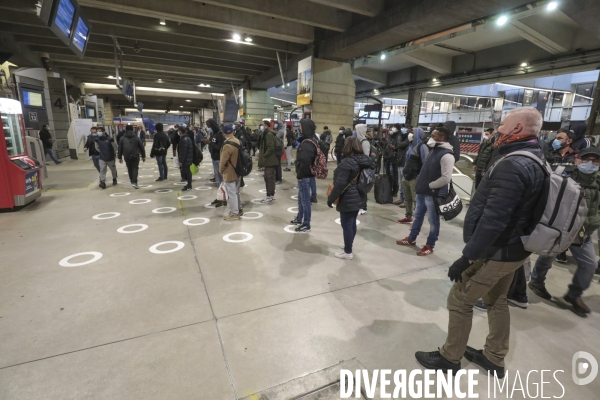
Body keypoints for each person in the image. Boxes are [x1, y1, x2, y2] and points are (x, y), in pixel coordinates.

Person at [415, 107, 546, 378]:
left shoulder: (513, 164)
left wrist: (468, 256)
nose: (496, 133)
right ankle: (494, 358)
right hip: (517, 249)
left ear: (518, 129)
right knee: (496, 300)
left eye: (501, 128)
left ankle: (450, 359)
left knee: (460, 299)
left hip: (499, 250)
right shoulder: (535, 157)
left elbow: (494, 219)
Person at [528, 147, 600, 314]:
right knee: (547, 257)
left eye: (595, 160)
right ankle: (536, 282)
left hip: (583, 233)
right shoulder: (565, 176)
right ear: (577, 160)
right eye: (585, 159)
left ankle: (574, 295)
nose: (590, 163)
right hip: (562, 229)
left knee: (590, 265)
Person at [396, 126, 455, 256]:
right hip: (423, 191)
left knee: (433, 221)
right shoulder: (434, 150)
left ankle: (430, 244)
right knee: (418, 216)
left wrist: (430, 186)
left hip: (433, 194)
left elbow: (446, 178)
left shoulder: (447, 155)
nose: (430, 137)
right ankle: (411, 238)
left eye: (433, 135)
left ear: (441, 138)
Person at [327, 137, 374, 259]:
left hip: (348, 197)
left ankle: (348, 252)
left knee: (347, 224)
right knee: (352, 222)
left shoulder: (347, 162)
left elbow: (340, 184)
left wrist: (331, 198)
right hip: (359, 195)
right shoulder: (364, 160)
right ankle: (349, 247)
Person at [291, 119, 318, 232]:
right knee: (301, 199)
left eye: (301, 126)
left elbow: (305, 162)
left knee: (305, 201)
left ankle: (306, 224)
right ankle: (299, 218)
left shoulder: (307, 144)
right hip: (308, 175)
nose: (299, 128)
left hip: (305, 176)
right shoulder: (310, 140)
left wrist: (299, 175)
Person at [398, 128, 427, 223]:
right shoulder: (410, 146)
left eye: (413, 133)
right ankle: (408, 216)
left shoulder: (422, 147)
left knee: (416, 200)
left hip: (415, 178)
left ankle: (416, 220)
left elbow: (425, 163)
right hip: (406, 176)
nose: (410, 135)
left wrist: (420, 177)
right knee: (408, 198)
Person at [219, 125, 242, 221]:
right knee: (236, 192)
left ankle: (234, 214)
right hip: (238, 170)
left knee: (232, 194)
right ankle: (238, 209)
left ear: (224, 134)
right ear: (232, 132)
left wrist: (220, 171)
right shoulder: (237, 141)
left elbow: (223, 161)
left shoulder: (227, 145)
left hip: (230, 172)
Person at [258, 120, 279, 203]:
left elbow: (270, 148)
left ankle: (269, 196)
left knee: (269, 178)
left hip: (270, 160)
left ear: (266, 125)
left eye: (262, 125)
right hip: (270, 159)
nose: (261, 126)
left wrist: (264, 156)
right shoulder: (267, 133)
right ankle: (271, 195)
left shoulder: (268, 134)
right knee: (270, 178)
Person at [206, 119, 224, 185]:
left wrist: (210, 143)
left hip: (218, 157)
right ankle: (219, 186)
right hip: (214, 156)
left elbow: (220, 147)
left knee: (220, 175)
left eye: (208, 126)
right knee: (217, 174)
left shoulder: (219, 134)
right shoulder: (213, 134)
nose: (208, 127)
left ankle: (221, 188)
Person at [177, 126, 194, 191]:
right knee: (188, 171)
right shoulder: (187, 138)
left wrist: (181, 161)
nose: (178, 132)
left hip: (186, 159)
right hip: (188, 158)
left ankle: (189, 185)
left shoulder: (184, 139)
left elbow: (183, 151)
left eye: (178, 131)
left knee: (187, 172)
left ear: (181, 131)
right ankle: (189, 184)